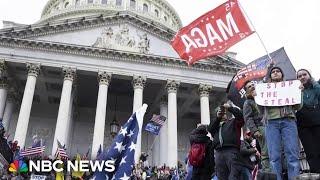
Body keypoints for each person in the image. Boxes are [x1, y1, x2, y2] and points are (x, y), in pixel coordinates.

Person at [260, 66, 301, 180]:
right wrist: (256, 98)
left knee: (292, 154)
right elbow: (261, 110)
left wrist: (299, 92)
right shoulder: (265, 90)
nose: (276, 73)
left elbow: (298, 106)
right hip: (271, 122)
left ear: (282, 75)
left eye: (278, 71)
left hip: (288, 120)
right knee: (274, 156)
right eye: (273, 72)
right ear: (270, 75)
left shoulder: (290, 87)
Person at [208, 102, 244, 180]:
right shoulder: (215, 126)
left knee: (234, 175)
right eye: (220, 112)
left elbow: (241, 116)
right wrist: (217, 118)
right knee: (221, 176)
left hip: (231, 151)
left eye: (224, 112)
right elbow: (210, 129)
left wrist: (230, 108)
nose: (222, 114)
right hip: (219, 153)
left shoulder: (233, 122)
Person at [243, 81, 271, 172]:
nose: (252, 87)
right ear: (246, 91)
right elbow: (248, 118)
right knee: (266, 150)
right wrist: (255, 131)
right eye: (249, 87)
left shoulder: (262, 98)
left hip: (271, 125)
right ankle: (268, 171)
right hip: (261, 127)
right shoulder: (248, 102)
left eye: (252, 85)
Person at [296, 69, 320, 172]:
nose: (302, 77)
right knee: (311, 152)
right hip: (303, 126)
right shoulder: (295, 90)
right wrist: (297, 91)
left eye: (304, 74)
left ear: (309, 75)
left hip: (318, 123)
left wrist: (315, 84)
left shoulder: (316, 87)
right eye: (299, 76)